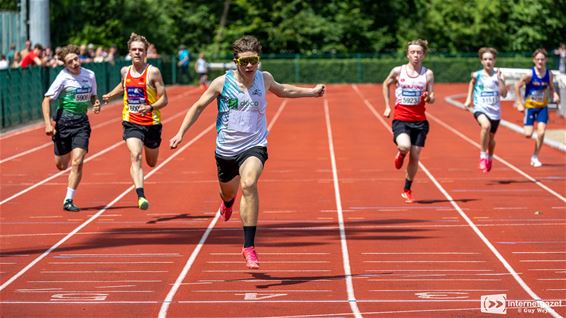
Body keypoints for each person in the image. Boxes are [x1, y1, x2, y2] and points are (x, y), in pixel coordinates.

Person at [169, 35, 325, 269]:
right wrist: (181, 132)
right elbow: (199, 106)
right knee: (228, 192)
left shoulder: (265, 79)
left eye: (254, 60)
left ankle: (249, 246)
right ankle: (227, 202)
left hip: (254, 145)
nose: (250, 65)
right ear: (236, 62)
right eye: (244, 61)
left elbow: (283, 91)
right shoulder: (221, 83)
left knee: (249, 183)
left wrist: (312, 92)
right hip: (226, 150)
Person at [102, 33, 168, 210]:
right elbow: (123, 85)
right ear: (129, 52)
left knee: (151, 162)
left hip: (152, 122)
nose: (137, 52)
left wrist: (151, 107)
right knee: (135, 155)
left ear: (145, 52)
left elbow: (164, 99)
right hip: (131, 121)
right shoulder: (125, 71)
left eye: (141, 50)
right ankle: (141, 196)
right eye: (134, 50)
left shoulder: (153, 72)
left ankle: (144, 158)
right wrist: (110, 94)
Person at [41, 44, 101, 212]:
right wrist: (47, 124)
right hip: (63, 124)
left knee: (78, 162)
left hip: (81, 124)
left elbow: (93, 95)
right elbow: (46, 100)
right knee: (61, 165)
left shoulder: (90, 75)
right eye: (70, 62)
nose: (75, 63)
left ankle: (68, 199)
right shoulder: (62, 77)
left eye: (76, 59)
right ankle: (62, 154)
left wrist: (95, 103)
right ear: (65, 65)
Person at [382, 39, 435, 203]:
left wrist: (429, 97)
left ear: (423, 55)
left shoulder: (428, 74)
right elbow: (385, 84)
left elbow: (432, 97)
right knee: (404, 145)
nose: (416, 55)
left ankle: (407, 189)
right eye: (412, 52)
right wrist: (387, 106)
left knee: (415, 156)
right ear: (407, 54)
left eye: (419, 52)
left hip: (420, 121)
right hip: (401, 119)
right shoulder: (398, 71)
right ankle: (401, 152)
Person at [463, 47, 508, 173]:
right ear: (481, 61)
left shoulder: (499, 75)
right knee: (485, 126)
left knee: (491, 140)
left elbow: (504, 94)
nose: (488, 61)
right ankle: (483, 156)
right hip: (480, 108)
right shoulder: (477, 75)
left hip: (495, 112)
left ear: (494, 60)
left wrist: (500, 80)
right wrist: (468, 99)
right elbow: (472, 83)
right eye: (485, 59)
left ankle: (490, 157)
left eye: (490, 59)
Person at [514, 48, 560, 167]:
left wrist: (554, 94)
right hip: (530, 107)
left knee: (541, 132)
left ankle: (535, 156)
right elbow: (517, 86)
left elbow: (551, 86)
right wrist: (519, 103)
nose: (540, 61)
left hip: (542, 107)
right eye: (538, 59)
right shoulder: (529, 74)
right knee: (528, 134)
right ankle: (529, 125)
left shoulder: (549, 74)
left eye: (542, 59)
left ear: (546, 60)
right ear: (534, 60)